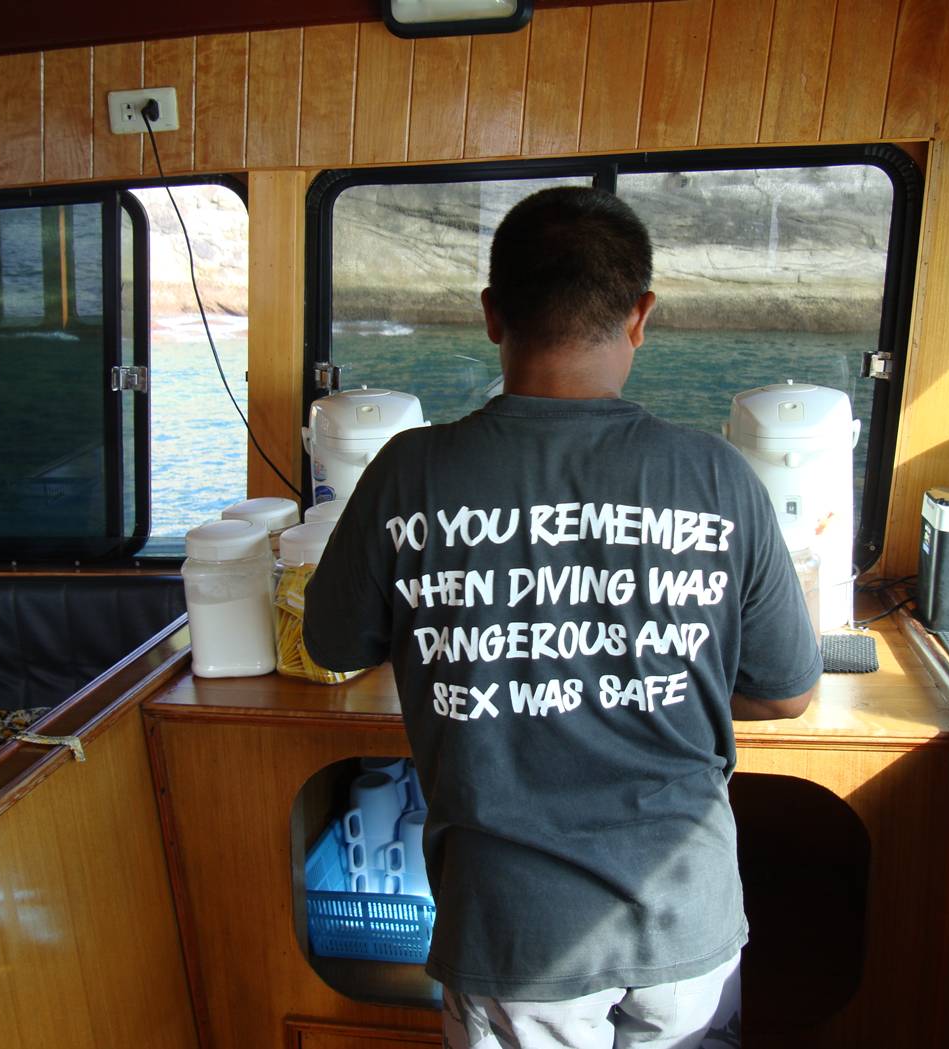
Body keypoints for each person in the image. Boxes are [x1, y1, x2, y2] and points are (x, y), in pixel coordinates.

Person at [303, 186, 821, 1049]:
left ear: (491, 316)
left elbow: (332, 644)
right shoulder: (718, 475)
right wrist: (638, 676)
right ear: (640, 315)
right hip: (683, 921)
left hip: (512, 930)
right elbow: (787, 691)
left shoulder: (409, 472)